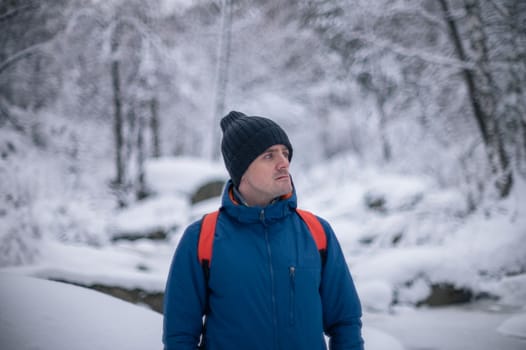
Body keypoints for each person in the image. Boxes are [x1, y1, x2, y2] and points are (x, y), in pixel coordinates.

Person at [163, 111, 364, 350]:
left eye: (285, 153)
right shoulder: (201, 238)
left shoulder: (317, 232)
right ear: (242, 171)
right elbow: (180, 337)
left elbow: (346, 324)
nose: (284, 163)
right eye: (269, 156)